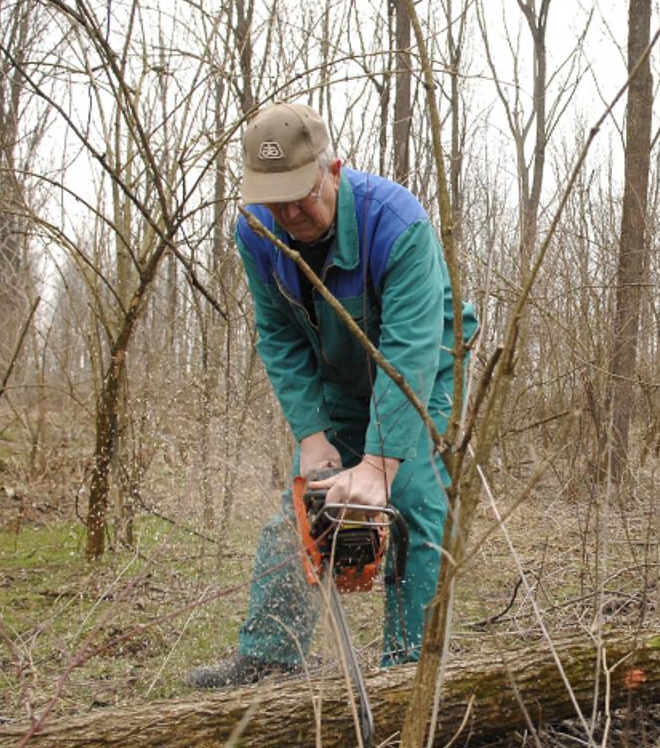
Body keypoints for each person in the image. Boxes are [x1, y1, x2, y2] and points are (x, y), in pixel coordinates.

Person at [188, 103, 477, 687]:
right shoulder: (257, 231)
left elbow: (410, 352)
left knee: (415, 496)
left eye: (302, 194)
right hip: (340, 375)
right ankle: (270, 656)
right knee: (302, 502)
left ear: (334, 170)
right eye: (276, 199)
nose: (291, 213)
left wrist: (377, 464)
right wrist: (314, 437)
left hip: (421, 368)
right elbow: (278, 338)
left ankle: (407, 677)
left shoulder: (397, 224)